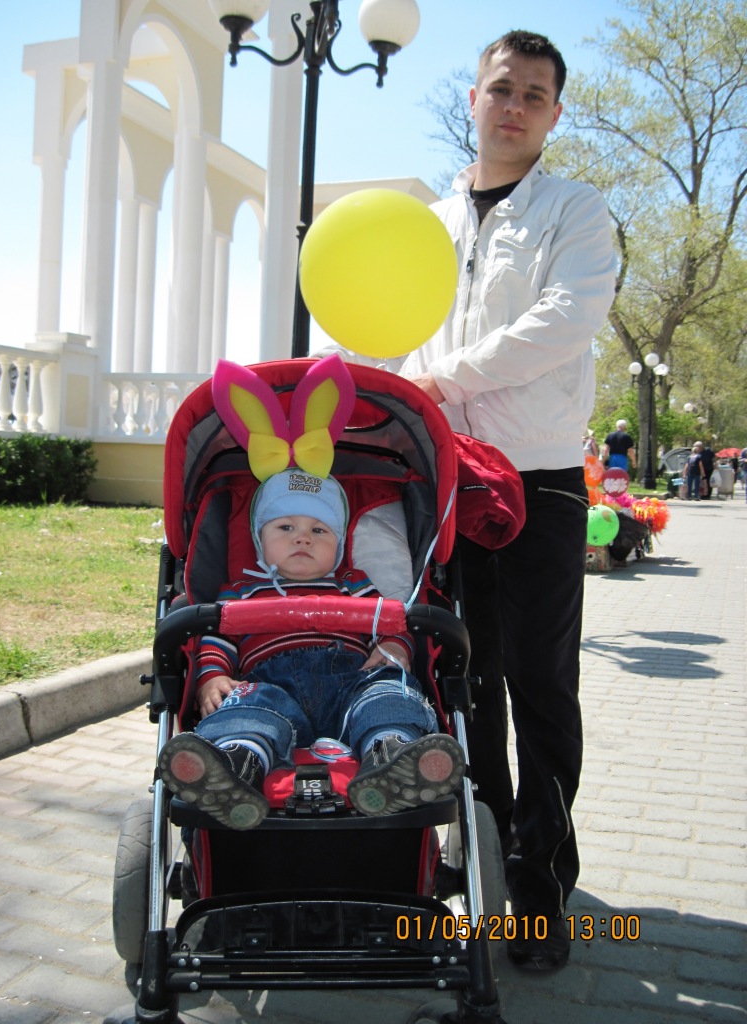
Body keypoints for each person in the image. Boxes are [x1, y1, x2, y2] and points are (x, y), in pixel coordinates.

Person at [315, 30, 616, 970]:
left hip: (536, 478)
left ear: (555, 113)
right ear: (474, 98)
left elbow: (564, 321)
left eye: (534, 94)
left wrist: (444, 379)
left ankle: (540, 883)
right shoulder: (426, 224)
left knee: (539, 682)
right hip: (438, 476)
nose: (514, 106)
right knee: (462, 677)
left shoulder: (575, 210)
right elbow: (381, 327)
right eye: (501, 88)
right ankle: (482, 854)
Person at [159, 469, 465, 831]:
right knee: (246, 704)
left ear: (338, 546)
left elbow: (391, 624)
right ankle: (236, 766)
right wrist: (213, 677)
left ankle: (390, 754)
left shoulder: (354, 585)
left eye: (319, 531)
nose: (302, 538)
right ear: (259, 539)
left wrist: (393, 645)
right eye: (285, 527)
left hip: (352, 683)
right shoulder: (240, 591)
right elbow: (216, 640)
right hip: (270, 687)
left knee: (387, 691)